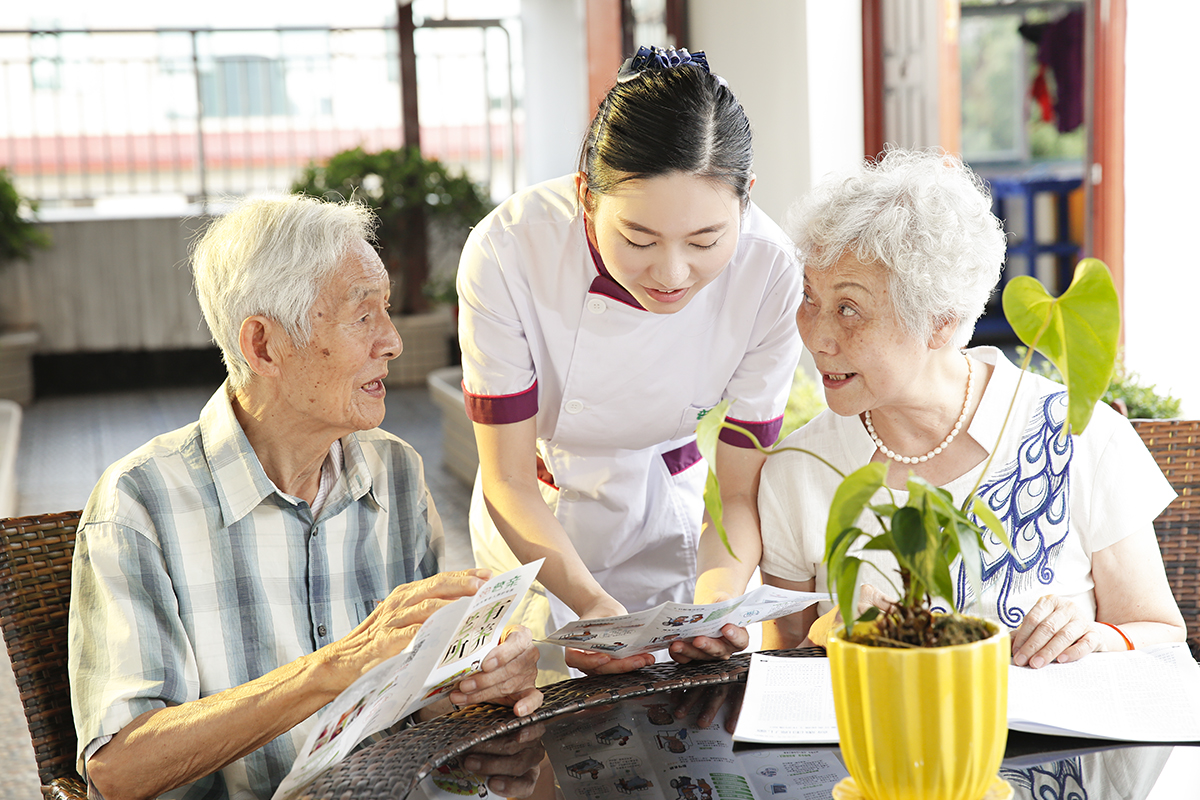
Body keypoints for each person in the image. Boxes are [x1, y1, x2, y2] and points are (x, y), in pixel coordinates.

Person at [68, 195, 543, 800]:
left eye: (388, 312)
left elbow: (421, 704)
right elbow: (119, 770)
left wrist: (481, 678)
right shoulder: (140, 504)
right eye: (362, 316)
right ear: (264, 346)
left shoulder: (396, 473)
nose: (393, 342)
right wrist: (338, 666)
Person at [758, 148, 1186, 666]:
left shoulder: (1080, 435)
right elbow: (779, 672)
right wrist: (828, 631)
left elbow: (1161, 630)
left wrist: (1099, 637)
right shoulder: (796, 468)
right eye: (809, 298)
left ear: (940, 320)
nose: (818, 337)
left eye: (849, 308)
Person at [457, 46, 803, 681]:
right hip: (534, 513)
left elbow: (737, 493)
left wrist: (718, 602)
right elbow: (505, 478)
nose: (672, 274)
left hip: (667, 498)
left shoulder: (770, 271)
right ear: (587, 195)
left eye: (706, 241)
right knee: (542, 743)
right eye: (638, 239)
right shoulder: (509, 250)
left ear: (746, 199)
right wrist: (589, 606)